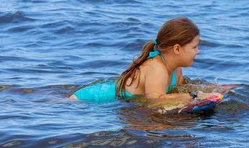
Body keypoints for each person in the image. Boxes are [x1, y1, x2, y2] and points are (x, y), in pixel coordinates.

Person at [71, 17, 221, 103]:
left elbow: (176, 91)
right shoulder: (157, 68)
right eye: (194, 47)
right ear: (177, 49)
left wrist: (215, 90)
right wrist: (195, 96)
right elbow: (155, 100)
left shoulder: (176, 68)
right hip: (90, 98)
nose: (198, 51)